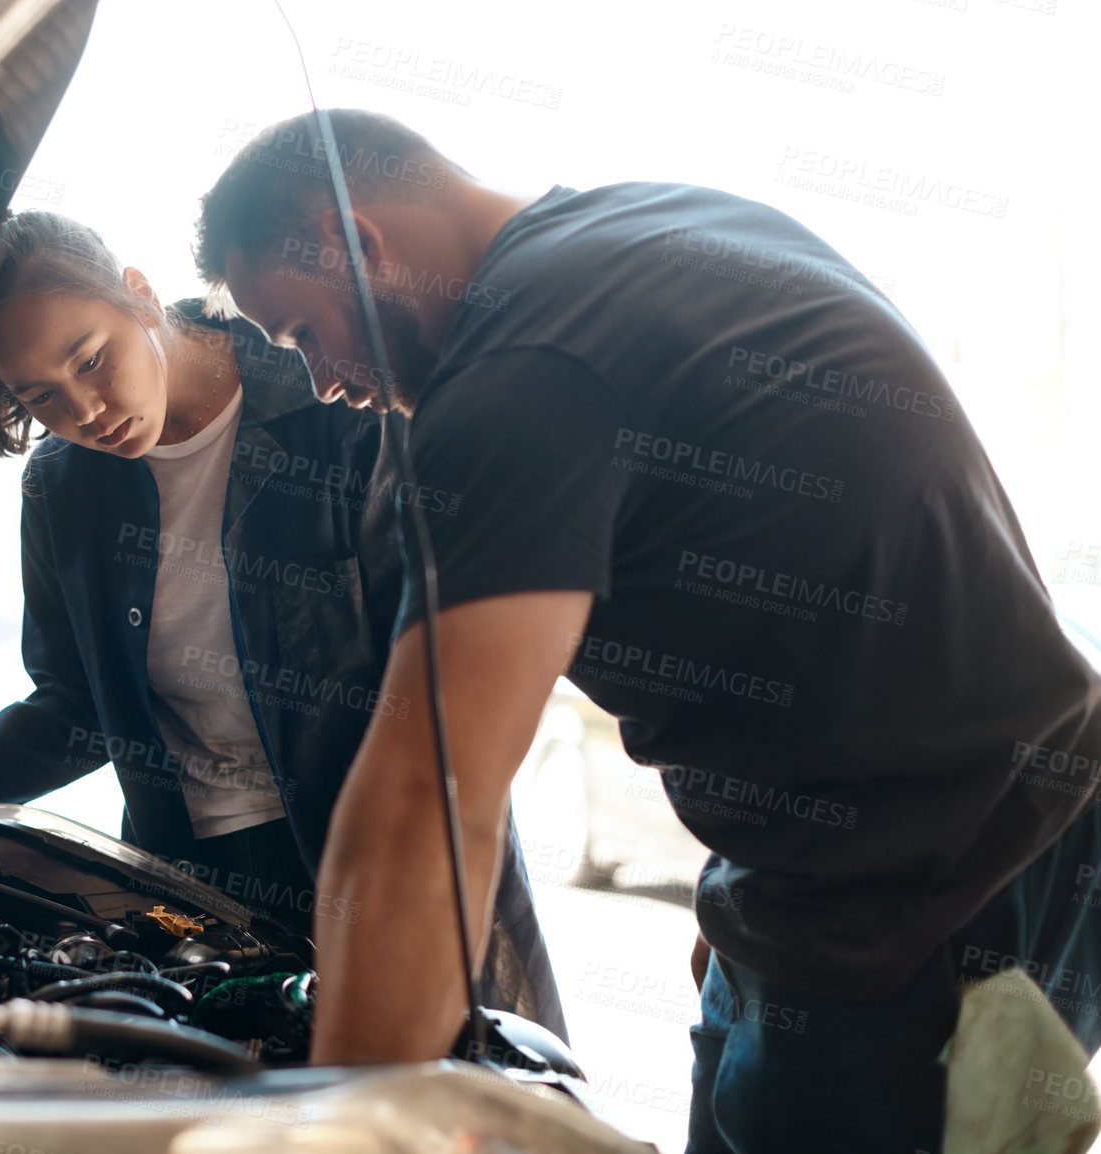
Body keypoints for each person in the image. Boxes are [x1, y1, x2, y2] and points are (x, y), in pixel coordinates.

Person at [192, 109, 1101, 1151]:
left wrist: (338, 1125)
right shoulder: (660, 225)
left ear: (354, 239)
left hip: (943, 873)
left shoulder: (521, 368)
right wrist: (743, 894)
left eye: (303, 332)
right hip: (891, 847)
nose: (320, 382)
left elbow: (424, 799)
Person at [0, 210, 566, 1037]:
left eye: (92, 360)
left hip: (383, 858)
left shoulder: (338, 408)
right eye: (42, 398)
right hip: (189, 884)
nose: (86, 410)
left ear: (139, 294)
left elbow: (440, 682)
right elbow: (77, 704)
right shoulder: (65, 490)